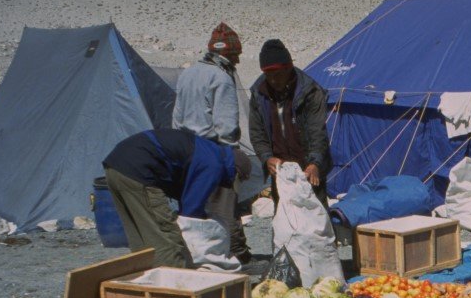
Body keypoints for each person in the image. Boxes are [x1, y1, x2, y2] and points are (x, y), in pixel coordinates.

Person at [103, 129, 251, 268]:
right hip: (139, 171)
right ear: (236, 173)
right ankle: (175, 289)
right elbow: (190, 211)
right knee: (166, 237)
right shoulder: (215, 164)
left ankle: (146, 282)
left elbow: (182, 191)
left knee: (141, 237)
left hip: (114, 166)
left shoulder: (208, 150)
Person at [172, 21, 253, 263]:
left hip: (186, 148)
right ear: (228, 54)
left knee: (195, 204)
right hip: (213, 149)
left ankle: (198, 254)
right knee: (224, 206)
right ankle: (235, 255)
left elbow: (176, 116)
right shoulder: (221, 78)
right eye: (236, 55)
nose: (238, 61)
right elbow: (226, 125)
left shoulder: (187, 73)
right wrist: (230, 158)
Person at [248, 39, 332, 204]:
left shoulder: (310, 91)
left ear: (289, 68)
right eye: (268, 75)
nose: (273, 80)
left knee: (315, 219)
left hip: (308, 168)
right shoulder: (259, 94)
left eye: (278, 75)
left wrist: (315, 163)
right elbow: (257, 132)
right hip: (280, 171)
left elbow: (317, 131)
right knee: (284, 220)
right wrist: (266, 158)